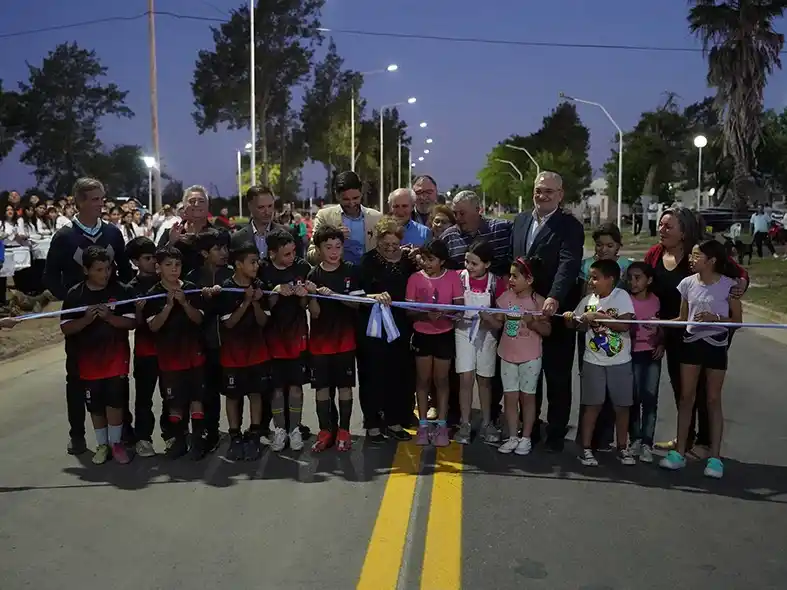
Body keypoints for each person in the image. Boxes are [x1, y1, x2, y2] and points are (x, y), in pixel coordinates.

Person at [645, 207, 748, 457]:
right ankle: (684, 438)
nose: (662, 229)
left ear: (684, 231)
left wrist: (740, 285)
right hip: (673, 328)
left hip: (707, 331)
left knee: (705, 391)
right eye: (661, 224)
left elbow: (738, 274)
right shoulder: (655, 254)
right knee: (682, 388)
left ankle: (705, 443)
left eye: (669, 226)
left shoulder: (701, 253)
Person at [44, 177, 133, 455]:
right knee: (78, 377)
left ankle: (122, 431)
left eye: (102, 197)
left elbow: (124, 272)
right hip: (82, 323)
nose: (101, 203)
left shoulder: (112, 233)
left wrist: (128, 298)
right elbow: (50, 276)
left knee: (117, 375)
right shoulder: (64, 236)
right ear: (79, 202)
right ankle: (78, 434)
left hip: (110, 316)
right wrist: (74, 301)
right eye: (94, 199)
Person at [509, 171, 584, 452]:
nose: (542, 196)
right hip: (524, 311)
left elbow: (568, 264)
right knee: (529, 374)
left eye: (549, 192)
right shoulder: (520, 221)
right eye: (538, 190)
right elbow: (513, 261)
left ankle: (555, 431)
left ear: (560, 195)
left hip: (555, 312)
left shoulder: (570, 226)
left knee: (557, 375)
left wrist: (554, 297)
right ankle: (530, 427)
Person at [660, 239, 742, 479]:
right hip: (691, 345)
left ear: (712, 260)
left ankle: (715, 458)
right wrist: (656, 323)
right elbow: (683, 318)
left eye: (696, 256)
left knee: (713, 399)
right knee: (687, 398)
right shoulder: (686, 284)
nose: (691, 259)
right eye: (692, 255)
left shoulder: (729, 286)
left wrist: (716, 318)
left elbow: (737, 321)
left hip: (716, 346)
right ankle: (679, 453)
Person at [60, 246, 137, 465]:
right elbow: (66, 327)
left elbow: (132, 322)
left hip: (116, 358)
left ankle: (116, 443)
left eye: (108, 268)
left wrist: (110, 318)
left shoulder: (121, 290)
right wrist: (85, 320)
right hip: (87, 361)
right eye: (99, 270)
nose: (105, 274)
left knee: (115, 401)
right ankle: (102, 444)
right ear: (86, 270)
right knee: (95, 404)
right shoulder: (75, 295)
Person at [564, 258, 637, 467]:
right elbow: (577, 325)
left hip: (620, 362)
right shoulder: (587, 300)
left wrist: (597, 316)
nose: (591, 282)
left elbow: (625, 325)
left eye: (595, 278)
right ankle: (585, 448)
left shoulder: (621, 296)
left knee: (622, 407)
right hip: (593, 361)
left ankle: (623, 447)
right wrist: (570, 319)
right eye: (590, 277)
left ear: (610, 279)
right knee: (592, 405)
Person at [357, 217, 417, 442]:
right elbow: (355, 295)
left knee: (398, 374)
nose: (390, 248)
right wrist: (374, 297)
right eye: (386, 244)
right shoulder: (367, 262)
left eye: (395, 244)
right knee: (372, 375)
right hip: (372, 328)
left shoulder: (409, 262)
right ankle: (372, 424)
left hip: (400, 327)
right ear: (378, 241)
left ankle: (395, 421)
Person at [306, 225, 363, 453]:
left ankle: (344, 431)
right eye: (328, 247)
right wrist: (313, 294)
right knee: (321, 388)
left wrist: (336, 295)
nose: (333, 251)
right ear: (318, 249)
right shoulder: (313, 275)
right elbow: (315, 312)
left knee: (345, 387)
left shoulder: (350, 270)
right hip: (320, 343)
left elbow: (357, 304)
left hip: (345, 341)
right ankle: (324, 431)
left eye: (338, 247)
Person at [485, 257, 551, 455]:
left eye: (515, 276)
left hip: (530, 356)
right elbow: (498, 324)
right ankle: (513, 436)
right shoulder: (505, 298)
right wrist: (487, 317)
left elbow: (547, 330)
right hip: (507, 354)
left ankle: (526, 437)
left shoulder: (539, 302)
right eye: (510, 276)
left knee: (527, 398)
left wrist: (533, 322)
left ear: (529, 279)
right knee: (510, 397)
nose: (510, 280)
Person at [145, 246, 207, 460]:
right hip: (169, 357)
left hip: (194, 354)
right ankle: (179, 439)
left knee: (197, 400)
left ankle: (198, 440)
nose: (174, 269)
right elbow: (153, 326)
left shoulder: (190, 289)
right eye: (168, 265)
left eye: (177, 265)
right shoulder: (154, 294)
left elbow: (199, 319)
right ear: (158, 268)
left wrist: (184, 303)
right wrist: (169, 306)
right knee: (174, 402)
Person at [578, 222, 633, 449]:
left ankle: (616, 441)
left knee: (619, 399)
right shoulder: (585, 267)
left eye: (609, 245)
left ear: (618, 246)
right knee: (592, 396)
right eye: (599, 245)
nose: (604, 250)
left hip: (620, 345)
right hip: (591, 342)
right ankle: (589, 442)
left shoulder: (627, 268)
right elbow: (583, 300)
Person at [406, 238, 464, 447]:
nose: (427, 263)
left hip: (444, 335)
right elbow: (409, 311)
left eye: (431, 259)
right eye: (424, 258)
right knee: (422, 380)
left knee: (441, 381)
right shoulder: (414, 278)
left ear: (442, 261)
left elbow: (460, 305)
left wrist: (445, 313)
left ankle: (441, 425)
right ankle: (423, 426)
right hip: (422, 335)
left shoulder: (453, 278)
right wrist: (424, 315)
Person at [214, 242, 269, 461]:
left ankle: (254, 432)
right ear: (238, 265)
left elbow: (264, 321)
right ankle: (235, 435)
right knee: (233, 395)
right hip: (233, 354)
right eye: (252, 262)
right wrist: (246, 302)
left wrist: (255, 303)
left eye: (257, 262)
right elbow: (228, 323)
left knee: (255, 393)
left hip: (257, 351)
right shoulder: (226, 288)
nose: (256, 266)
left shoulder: (259, 286)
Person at [259, 229, 312, 452]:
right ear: (272, 254)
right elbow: (262, 306)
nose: (292, 258)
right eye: (286, 254)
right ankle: (280, 430)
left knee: (296, 388)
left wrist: (305, 293)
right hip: (273, 338)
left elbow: (307, 303)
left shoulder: (302, 267)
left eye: (293, 252)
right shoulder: (262, 270)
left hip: (297, 335)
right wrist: (274, 291)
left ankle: (295, 429)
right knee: (277, 389)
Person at [453, 239, 507, 445]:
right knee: (465, 378)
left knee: (485, 380)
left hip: (487, 335)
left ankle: (487, 422)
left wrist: (489, 319)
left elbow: (500, 322)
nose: (468, 267)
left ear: (487, 264)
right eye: (467, 261)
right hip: (463, 332)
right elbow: (452, 306)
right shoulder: (458, 278)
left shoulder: (496, 283)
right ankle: (464, 423)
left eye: (474, 263)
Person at [186, 229, 233, 452]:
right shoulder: (192, 278)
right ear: (205, 253)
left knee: (236, 391)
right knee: (208, 392)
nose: (224, 253)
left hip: (233, 344)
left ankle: (242, 433)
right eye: (218, 249)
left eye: (226, 248)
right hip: (205, 344)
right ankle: (210, 432)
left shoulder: (234, 275)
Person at [126, 237, 165, 457]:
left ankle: (173, 435)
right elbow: (135, 323)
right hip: (145, 351)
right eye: (147, 258)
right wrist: (140, 310)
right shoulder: (131, 288)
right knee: (144, 398)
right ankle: (143, 438)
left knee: (172, 397)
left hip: (169, 349)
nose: (153, 262)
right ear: (135, 261)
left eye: (154, 257)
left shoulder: (166, 280)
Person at [626, 262, 664, 464]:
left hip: (651, 356)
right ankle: (635, 439)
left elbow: (663, 327)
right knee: (633, 398)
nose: (633, 282)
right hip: (631, 355)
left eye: (638, 277)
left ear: (649, 280)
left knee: (650, 399)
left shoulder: (656, 301)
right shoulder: (625, 300)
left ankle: (647, 443)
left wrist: (660, 342)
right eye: (630, 277)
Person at [307, 171, 382, 265]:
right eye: (346, 199)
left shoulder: (376, 218)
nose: (351, 203)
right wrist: (331, 237)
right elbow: (311, 256)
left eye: (355, 198)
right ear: (337, 195)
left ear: (361, 193)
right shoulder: (325, 216)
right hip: (336, 278)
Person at [441, 190, 512, 276]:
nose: (457, 218)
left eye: (462, 213)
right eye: (455, 213)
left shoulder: (500, 229)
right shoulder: (448, 237)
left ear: (477, 210)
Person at [232, 185, 303, 260]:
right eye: (261, 207)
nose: (267, 212)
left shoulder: (289, 234)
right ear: (250, 207)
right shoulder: (237, 239)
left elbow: (299, 266)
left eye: (270, 206)